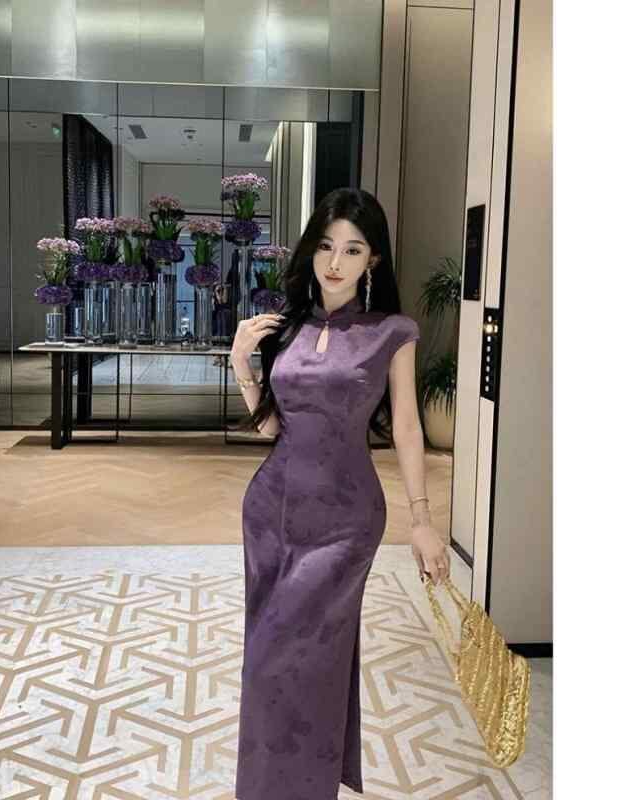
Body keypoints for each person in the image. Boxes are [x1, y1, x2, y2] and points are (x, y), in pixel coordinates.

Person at [229, 187, 450, 799]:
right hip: (270, 512)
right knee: (270, 663)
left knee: (291, 656)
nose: (334, 262)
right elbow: (273, 427)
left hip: (345, 521)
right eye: (326, 246)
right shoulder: (288, 327)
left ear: (372, 259)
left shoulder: (392, 332)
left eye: (352, 250)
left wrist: (422, 520)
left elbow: (407, 427)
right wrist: (242, 362)